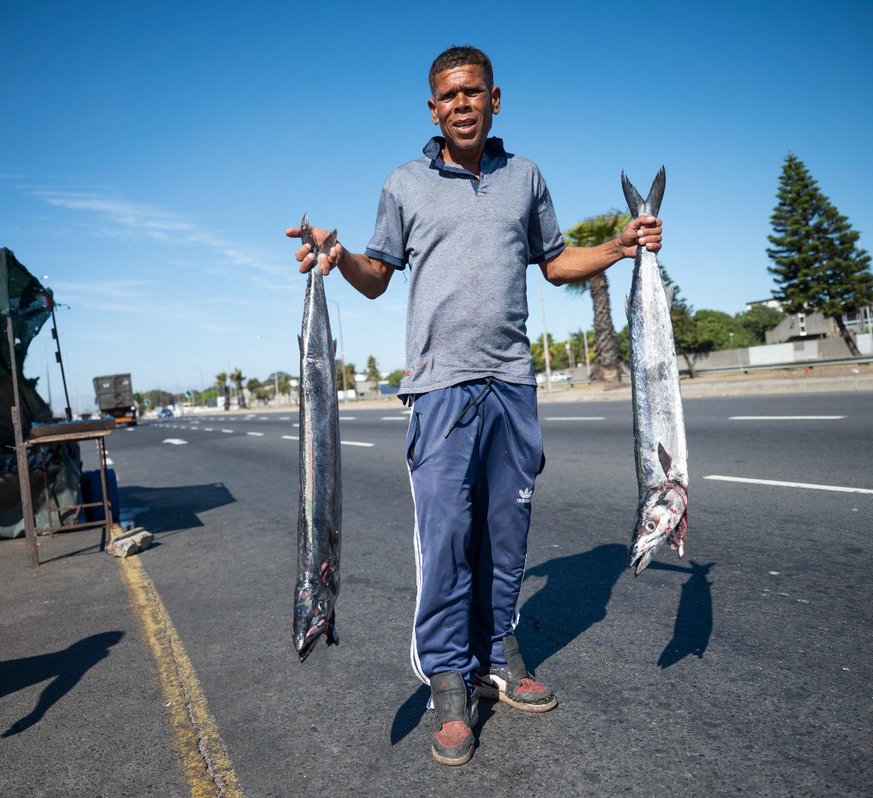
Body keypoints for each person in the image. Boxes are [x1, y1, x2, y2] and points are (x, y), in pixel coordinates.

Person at [285, 45, 662, 766]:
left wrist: (619, 247)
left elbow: (555, 263)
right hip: (439, 389)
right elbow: (377, 276)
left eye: (473, 92)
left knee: (506, 534)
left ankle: (497, 654)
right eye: (449, 96)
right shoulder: (404, 183)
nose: (462, 104)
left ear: (495, 98)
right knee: (447, 539)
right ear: (433, 109)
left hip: (512, 383)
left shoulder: (526, 177)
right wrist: (338, 256)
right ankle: (448, 682)